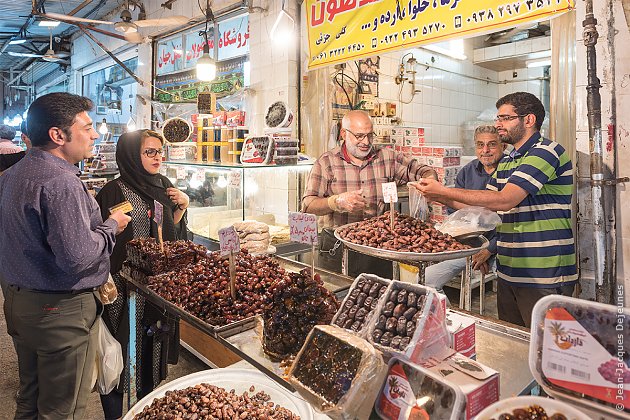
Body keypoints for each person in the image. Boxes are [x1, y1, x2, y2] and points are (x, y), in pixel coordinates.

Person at [0, 92, 131, 419]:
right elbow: (78, 257)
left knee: (30, 397)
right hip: (58, 311)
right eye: (87, 127)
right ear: (58, 135)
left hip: (20, 302)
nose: (96, 134)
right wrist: (110, 226)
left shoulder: (15, 173)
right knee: (62, 408)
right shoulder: (60, 182)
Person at [412, 92, 576, 327]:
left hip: (544, 273)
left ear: (528, 120)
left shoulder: (545, 152)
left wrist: (445, 192)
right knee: (515, 343)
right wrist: (438, 196)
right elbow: (481, 209)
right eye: (498, 118)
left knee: (546, 352)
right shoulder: (509, 161)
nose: (498, 124)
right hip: (510, 272)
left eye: (505, 118)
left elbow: (505, 200)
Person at [95, 129, 190, 420]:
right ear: (131, 155)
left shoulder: (164, 185)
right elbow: (100, 240)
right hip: (122, 290)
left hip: (157, 289)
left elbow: (169, 237)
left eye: (160, 151)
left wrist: (182, 207)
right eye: (149, 151)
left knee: (151, 352)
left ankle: (144, 412)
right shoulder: (112, 191)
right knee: (120, 356)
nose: (158, 157)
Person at [302, 110, 437, 278]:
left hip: (378, 245)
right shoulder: (326, 162)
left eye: (370, 135)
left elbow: (422, 171)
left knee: (380, 298)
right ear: (343, 133)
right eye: (359, 136)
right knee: (338, 297)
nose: (366, 142)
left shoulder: (386, 157)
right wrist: (336, 202)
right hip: (337, 246)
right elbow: (308, 205)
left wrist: (430, 182)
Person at [424, 125, 506, 292]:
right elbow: (457, 215)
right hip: (471, 246)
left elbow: (515, 221)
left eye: (492, 144)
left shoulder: (511, 172)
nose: (485, 150)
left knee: (507, 296)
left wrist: (489, 249)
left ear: (503, 146)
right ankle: (447, 318)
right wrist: (469, 245)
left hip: (503, 247)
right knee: (428, 279)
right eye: (480, 145)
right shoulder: (466, 172)